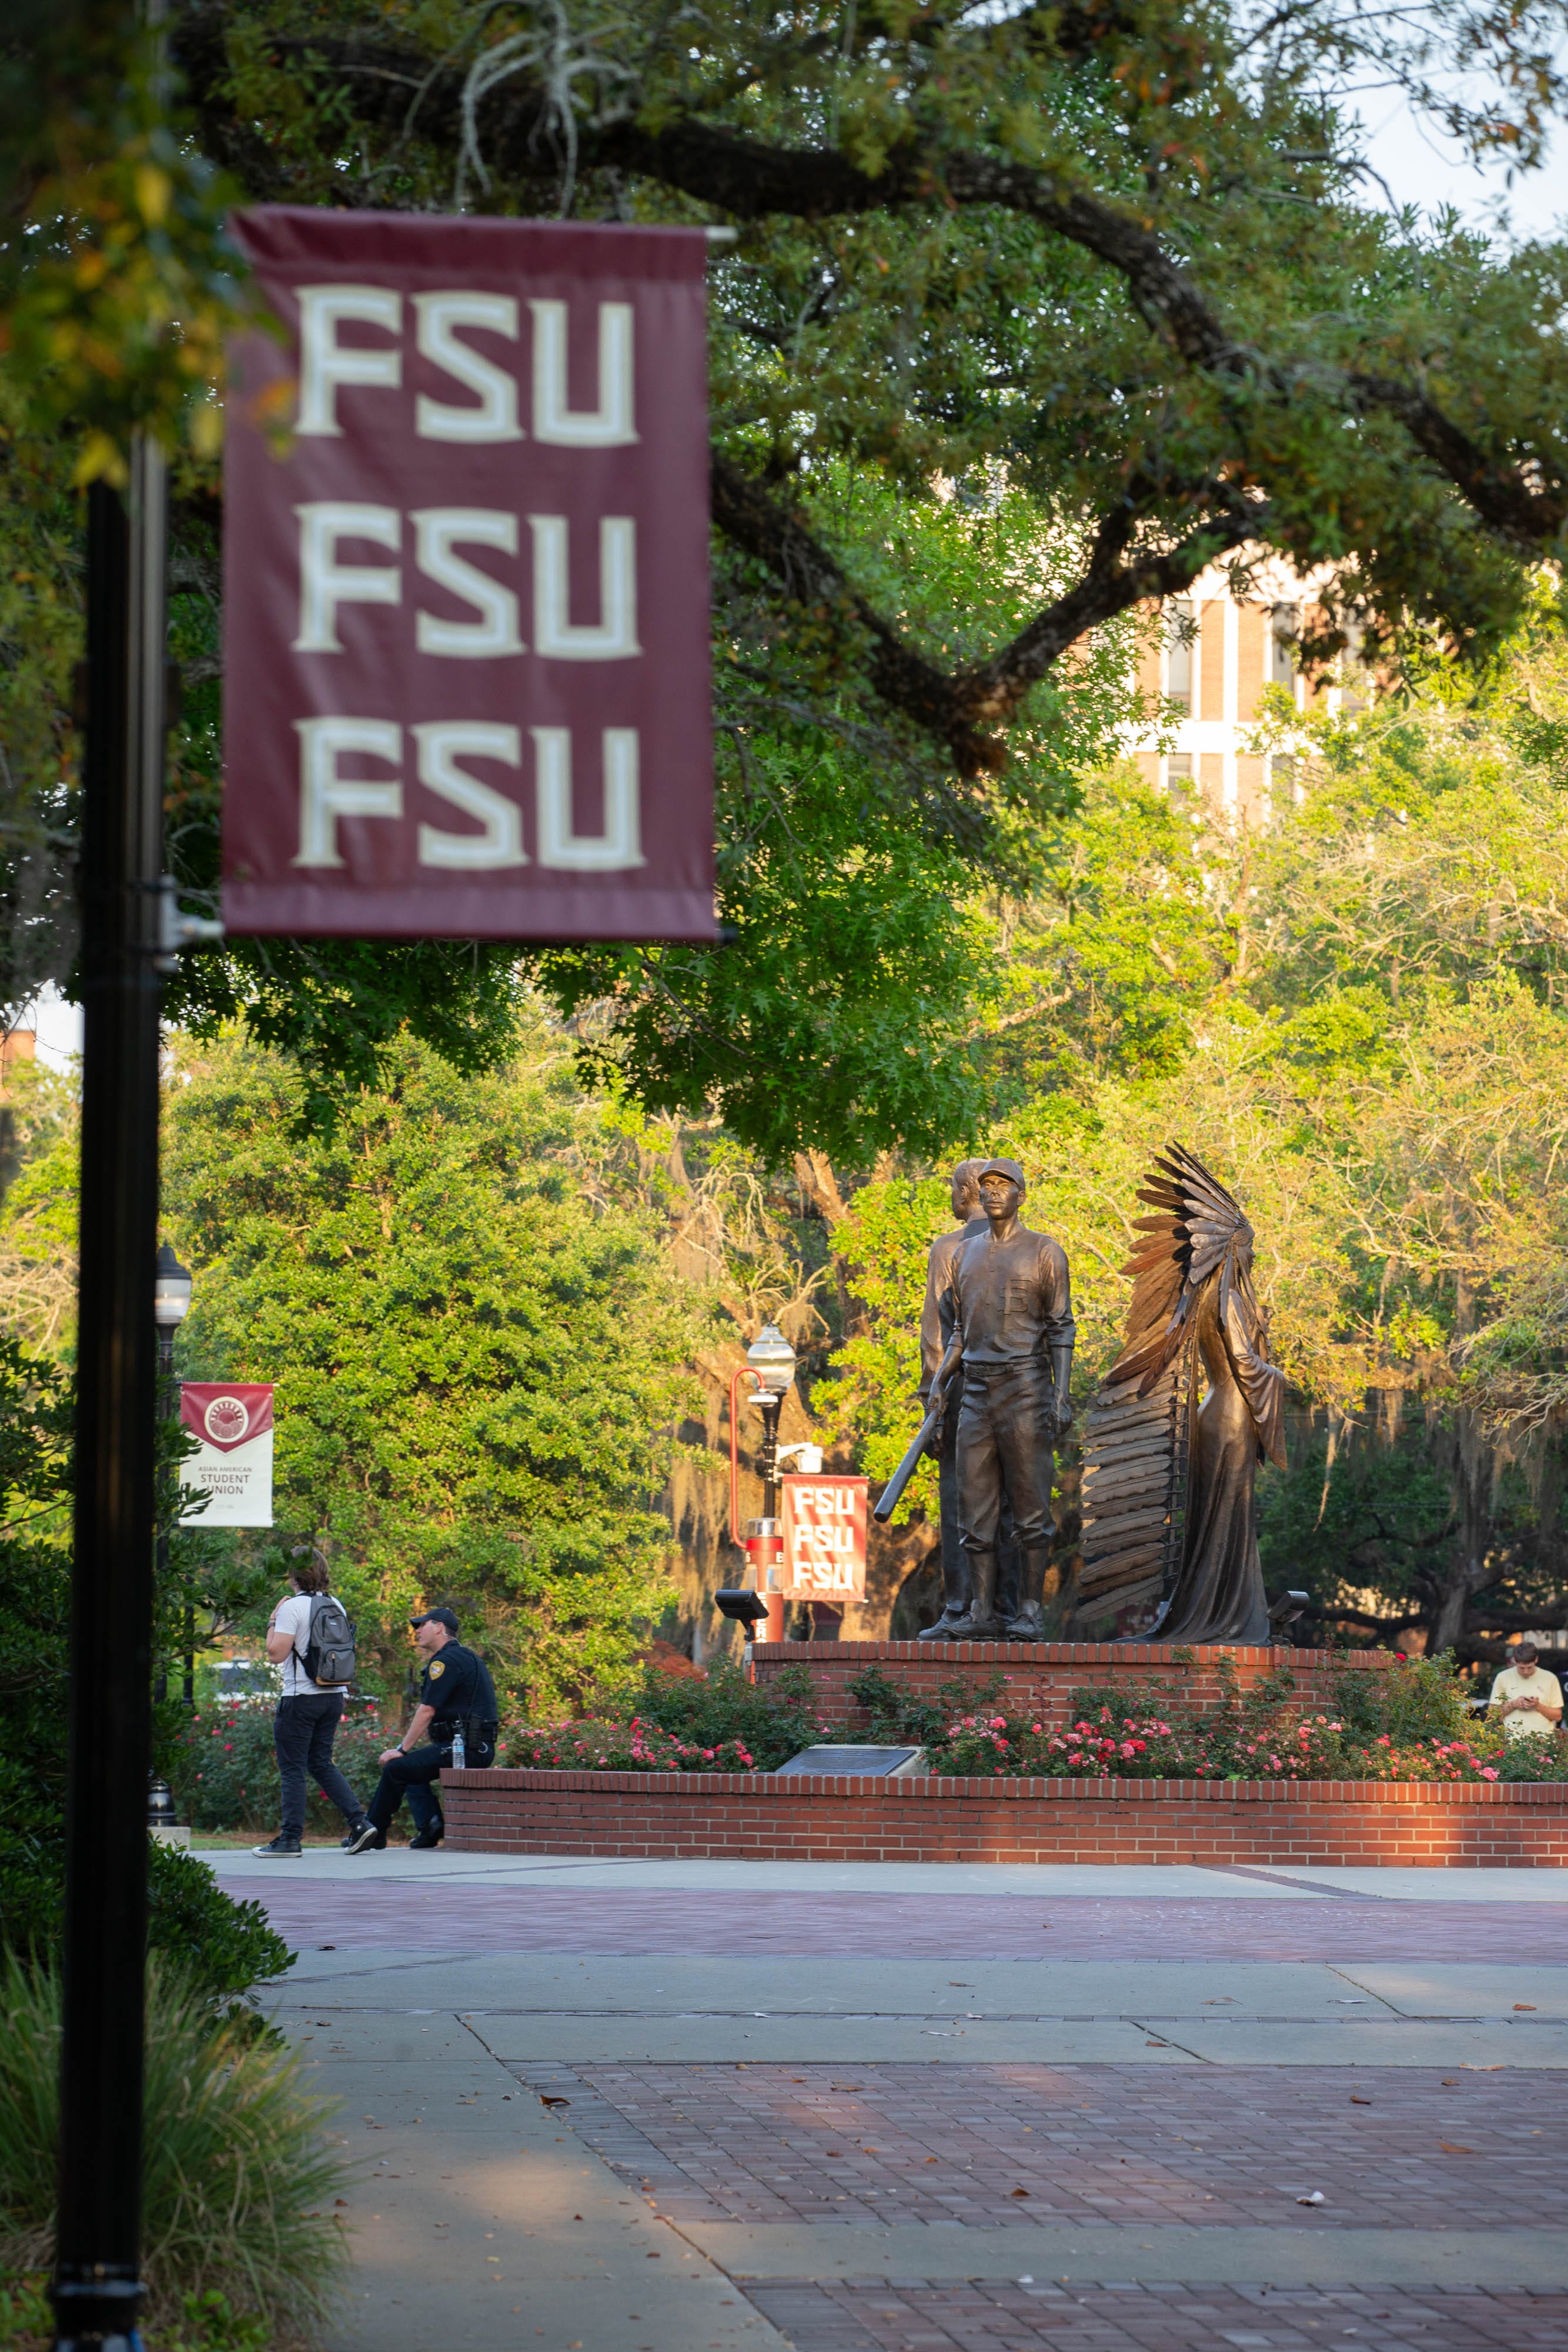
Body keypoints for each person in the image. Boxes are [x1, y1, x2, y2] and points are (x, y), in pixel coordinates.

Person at [950, 1158, 1075, 1640]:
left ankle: (1028, 1609)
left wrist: (1060, 1396)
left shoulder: (1045, 1252)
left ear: (1022, 1196)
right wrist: (943, 1382)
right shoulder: (964, 1256)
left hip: (1025, 1386)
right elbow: (960, 1330)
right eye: (986, 1186)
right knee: (973, 1506)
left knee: (1030, 1508)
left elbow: (1060, 1327)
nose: (993, 1192)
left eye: (1004, 1186)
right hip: (976, 1390)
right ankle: (981, 1610)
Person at [346, 1608, 498, 1853]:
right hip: (472, 1747)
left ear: (439, 1628)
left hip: (464, 1749)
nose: (417, 1631)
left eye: (421, 1625)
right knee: (413, 1768)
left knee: (397, 1767)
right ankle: (430, 1827)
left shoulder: (444, 1661)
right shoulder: (467, 1657)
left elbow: (427, 1710)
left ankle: (372, 1832)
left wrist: (402, 1749)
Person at [252, 1549, 370, 1857]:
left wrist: (272, 1620)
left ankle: (290, 1839)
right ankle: (360, 1822)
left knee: (292, 1769)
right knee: (320, 1762)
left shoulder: (293, 1607)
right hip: (333, 1696)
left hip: (300, 1698)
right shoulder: (335, 1604)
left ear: (293, 1574)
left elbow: (276, 1654)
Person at [1488, 1641, 1564, 1740]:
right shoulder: (1503, 1677)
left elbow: (1558, 1716)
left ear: (1536, 1660)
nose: (1526, 1672)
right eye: (1522, 1668)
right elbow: (1491, 1714)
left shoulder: (1550, 1678)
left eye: (1529, 1667)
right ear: (1514, 1660)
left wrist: (1537, 1706)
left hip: (1544, 1742)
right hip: (1512, 1743)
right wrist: (1513, 1705)